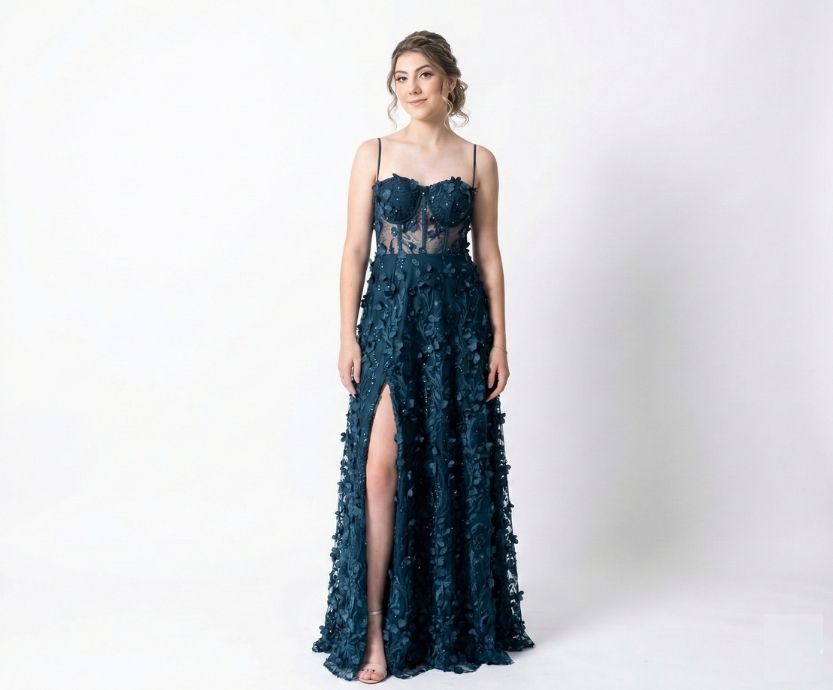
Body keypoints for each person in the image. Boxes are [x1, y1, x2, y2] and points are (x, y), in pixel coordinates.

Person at [312, 30, 534, 683]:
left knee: (446, 469)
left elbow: (488, 255)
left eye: (425, 75)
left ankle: (443, 622)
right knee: (379, 470)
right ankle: (374, 631)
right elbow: (355, 249)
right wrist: (347, 335)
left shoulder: (478, 160)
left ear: (449, 82)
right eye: (401, 77)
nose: (411, 87)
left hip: (455, 326)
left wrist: (499, 339)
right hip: (387, 321)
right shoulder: (374, 153)